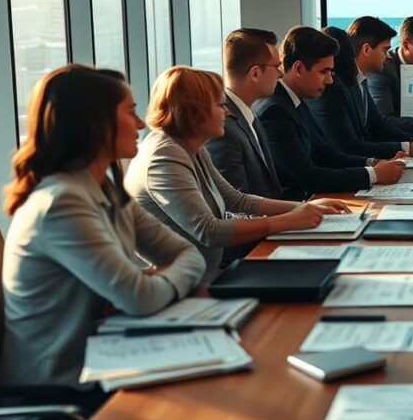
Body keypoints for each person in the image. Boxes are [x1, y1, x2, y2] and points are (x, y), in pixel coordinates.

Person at [0, 65, 205, 398]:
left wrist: (153, 284)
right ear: (95, 124)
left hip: (105, 362)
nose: (141, 123)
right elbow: (139, 297)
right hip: (60, 391)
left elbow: (189, 254)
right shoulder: (60, 204)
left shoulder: (105, 189)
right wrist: (149, 285)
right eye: (130, 112)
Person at [126, 66, 350, 277]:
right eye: (220, 105)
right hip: (182, 284)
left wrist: (305, 207)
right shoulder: (164, 156)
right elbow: (208, 231)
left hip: (203, 275)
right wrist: (288, 221)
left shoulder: (189, 146)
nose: (227, 112)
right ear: (195, 111)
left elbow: (237, 200)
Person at [254, 26, 406, 201]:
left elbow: (326, 154)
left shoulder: (295, 101)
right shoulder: (275, 112)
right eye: (324, 72)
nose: (330, 80)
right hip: (294, 213)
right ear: (298, 69)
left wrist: (372, 163)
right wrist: (373, 175)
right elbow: (308, 177)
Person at [310, 19, 413, 159]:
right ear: (367, 50)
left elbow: (377, 124)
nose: (388, 56)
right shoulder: (335, 88)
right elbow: (348, 147)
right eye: (385, 49)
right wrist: (407, 147)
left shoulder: (360, 80)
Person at [206, 28, 284, 197]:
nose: (281, 73)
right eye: (277, 66)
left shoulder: (248, 115)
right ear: (255, 73)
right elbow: (236, 209)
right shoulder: (222, 126)